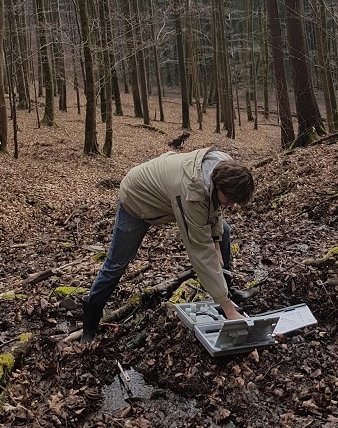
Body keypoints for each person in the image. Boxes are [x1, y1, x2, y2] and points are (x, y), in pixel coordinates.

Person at [81, 147, 256, 342]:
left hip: (166, 194)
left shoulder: (224, 167)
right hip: (137, 200)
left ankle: (228, 294)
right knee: (116, 264)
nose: (230, 205)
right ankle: (90, 323)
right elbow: (200, 252)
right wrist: (228, 310)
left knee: (225, 231)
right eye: (229, 200)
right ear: (219, 185)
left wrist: (216, 242)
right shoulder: (191, 192)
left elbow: (214, 211)